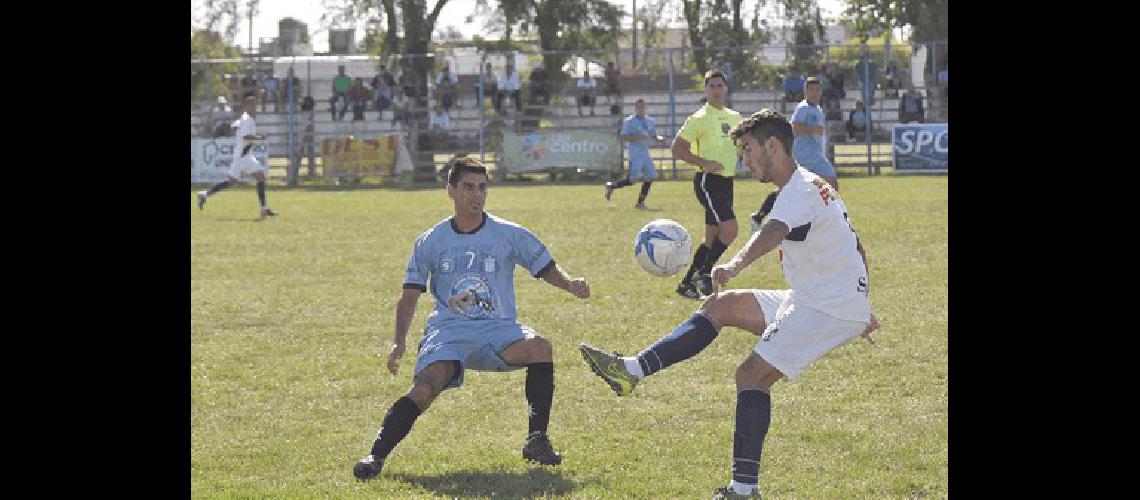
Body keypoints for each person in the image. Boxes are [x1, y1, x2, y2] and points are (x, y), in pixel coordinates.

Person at [579, 108, 880, 500]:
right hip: (821, 299)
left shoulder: (799, 190)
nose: (745, 159)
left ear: (773, 145)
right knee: (721, 307)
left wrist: (736, 262)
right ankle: (632, 371)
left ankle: (743, 490)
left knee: (751, 376)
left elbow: (774, 231)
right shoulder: (810, 185)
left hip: (826, 306)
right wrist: (863, 302)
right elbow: (853, 242)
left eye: (749, 149)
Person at [352, 157, 591, 481]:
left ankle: (536, 440)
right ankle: (375, 456)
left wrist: (568, 284)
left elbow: (544, 265)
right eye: (467, 187)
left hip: (499, 331)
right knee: (425, 389)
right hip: (450, 332)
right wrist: (399, 341)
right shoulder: (431, 240)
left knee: (540, 348)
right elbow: (409, 295)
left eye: (482, 188)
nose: (476, 195)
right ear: (450, 190)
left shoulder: (509, 234)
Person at [671, 69, 742, 300]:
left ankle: (686, 284)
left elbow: (743, 145)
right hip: (707, 182)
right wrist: (703, 162)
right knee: (730, 230)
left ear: (726, 88)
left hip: (727, 182)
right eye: (711, 86)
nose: (716, 90)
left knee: (711, 237)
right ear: (706, 90)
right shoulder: (699, 118)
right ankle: (704, 274)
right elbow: (677, 148)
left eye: (720, 85)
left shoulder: (736, 117)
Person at [746, 77, 841, 235]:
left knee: (800, 189)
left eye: (817, 90)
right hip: (805, 156)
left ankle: (763, 216)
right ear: (805, 91)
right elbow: (794, 127)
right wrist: (813, 129)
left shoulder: (817, 108)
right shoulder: (803, 108)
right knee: (828, 183)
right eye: (811, 90)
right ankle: (824, 220)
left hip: (815, 156)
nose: (815, 93)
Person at [197, 95, 279, 220]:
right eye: (252, 105)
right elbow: (246, 136)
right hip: (242, 157)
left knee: (248, 179)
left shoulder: (245, 118)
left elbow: (234, 127)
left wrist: (237, 129)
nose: (254, 107)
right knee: (251, 179)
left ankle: (205, 194)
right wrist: (259, 138)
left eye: (255, 105)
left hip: (245, 155)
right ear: (247, 106)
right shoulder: (247, 119)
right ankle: (264, 209)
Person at [605, 98, 666, 209]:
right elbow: (623, 137)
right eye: (638, 107)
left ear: (645, 108)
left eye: (642, 107)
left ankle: (640, 203)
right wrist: (637, 137)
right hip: (635, 153)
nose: (640, 109)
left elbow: (653, 134)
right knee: (632, 180)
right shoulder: (630, 121)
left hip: (645, 153)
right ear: (635, 108)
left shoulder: (649, 121)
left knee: (650, 176)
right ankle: (611, 186)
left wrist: (659, 138)